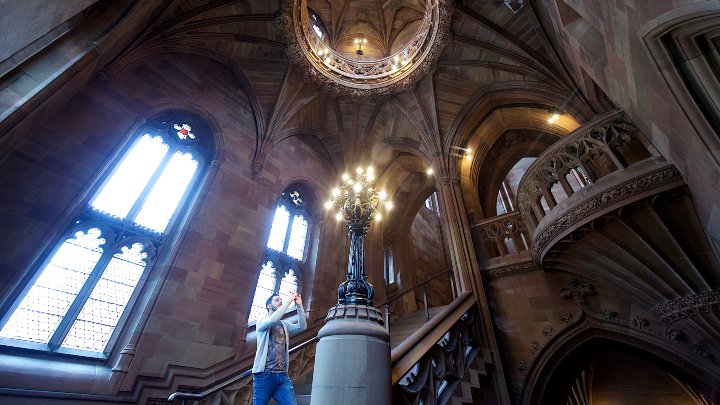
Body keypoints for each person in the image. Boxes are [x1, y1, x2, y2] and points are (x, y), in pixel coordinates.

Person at [252, 292, 307, 405]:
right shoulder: (262, 321)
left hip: (282, 377)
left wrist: (299, 306)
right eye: (277, 300)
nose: (280, 301)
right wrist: (288, 300)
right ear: (268, 306)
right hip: (263, 376)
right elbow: (272, 319)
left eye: (281, 300)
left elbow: (302, 327)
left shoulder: (284, 324)